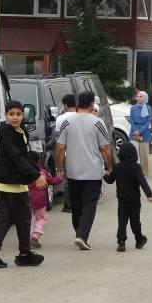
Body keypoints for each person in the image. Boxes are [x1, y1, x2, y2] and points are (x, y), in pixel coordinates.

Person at [0, 101, 47, 268]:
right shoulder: (6, 133)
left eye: (18, 114)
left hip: (13, 181)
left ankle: (21, 253)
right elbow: (16, 157)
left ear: (23, 115)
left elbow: (25, 155)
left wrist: (38, 170)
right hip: (8, 182)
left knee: (19, 217)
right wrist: (35, 175)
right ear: (5, 115)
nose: (15, 117)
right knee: (13, 217)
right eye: (11, 114)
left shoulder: (20, 131)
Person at [56, 91, 113, 251]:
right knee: (89, 204)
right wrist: (109, 167)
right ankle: (82, 235)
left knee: (76, 204)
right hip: (93, 171)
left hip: (73, 171)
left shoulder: (67, 122)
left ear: (77, 103)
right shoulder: (97, 122)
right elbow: (105, 148)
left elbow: (60, 147)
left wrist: (59, 169)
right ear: (91, 105)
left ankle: (78, 232)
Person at [103, 143, 152, 252]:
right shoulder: (136, 167)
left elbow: (110, 180)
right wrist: (149, 194)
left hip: (122, 200)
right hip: (135, 200)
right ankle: (139, 239)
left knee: (122, 221)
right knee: (135, 221)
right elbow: (142, 181)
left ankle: (121, 242)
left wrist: (103, 175)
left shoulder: (117, 167)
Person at [27, 151, 61, 249]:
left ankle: (28, 237)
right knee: (42, 217)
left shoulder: (24, 171)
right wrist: (59, 178)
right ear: (38, 160)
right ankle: (35, 235)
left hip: (27, 199)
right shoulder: (42, 172)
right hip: (40, 201)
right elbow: (52, 181)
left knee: (30, 219)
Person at [54, 94, 77, 213]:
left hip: (66, 153)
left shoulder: (60, 118)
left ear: (66, 105)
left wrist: (59, 167)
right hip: (80, 152)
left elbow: (58, 141)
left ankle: (68, 204)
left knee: (68, 179)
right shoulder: (81, 116)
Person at [130, 91, 152, 176]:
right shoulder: (133, 108)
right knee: (134, 154)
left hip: (145, 133)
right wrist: (136, 131)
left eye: (141, 96)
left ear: (145, 98)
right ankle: (135, 173)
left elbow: (148, 122)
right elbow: (132, 120)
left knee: (144, 156)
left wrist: (140, 131)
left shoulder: (149, 108)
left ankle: (144, 173)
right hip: (133, 132)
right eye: (138, 96)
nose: (138, 98)